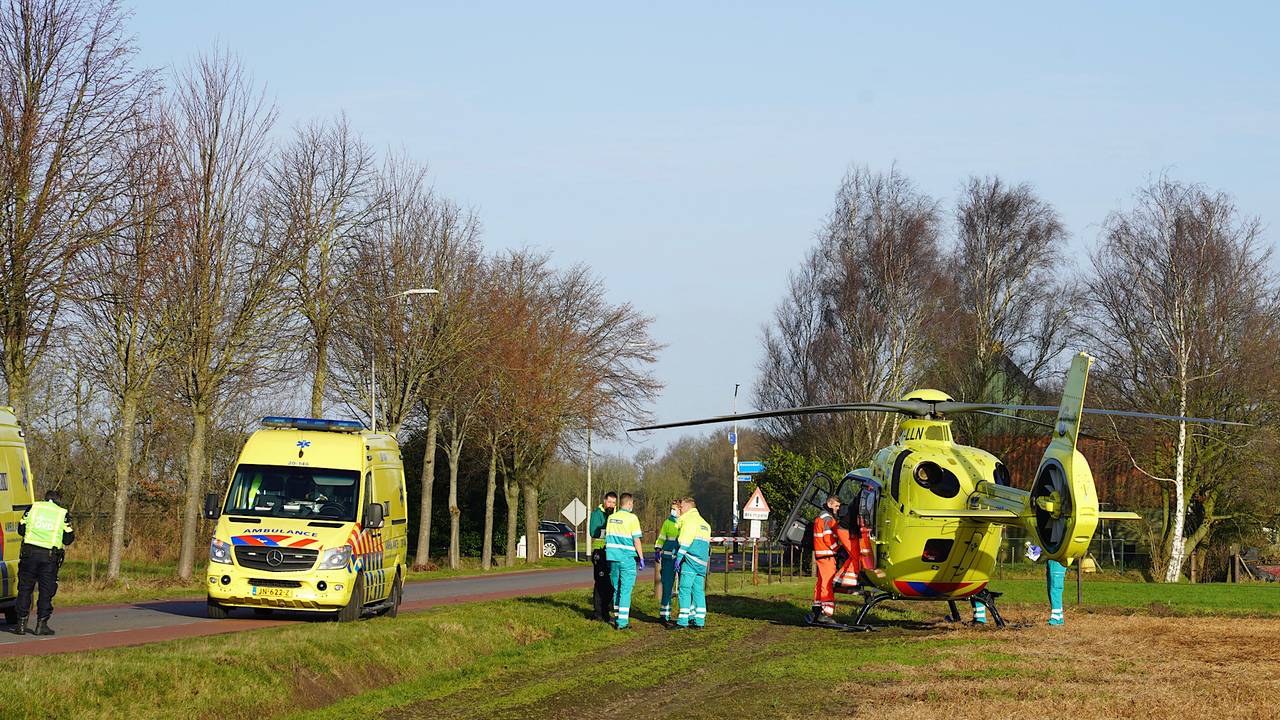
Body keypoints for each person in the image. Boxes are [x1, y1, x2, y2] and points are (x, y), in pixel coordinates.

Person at [12, 489, 75, 635]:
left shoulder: (33, 507)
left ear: (45, 498)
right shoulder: (62, 513)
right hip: (49, 558)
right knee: (46, 591)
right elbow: (68, 538)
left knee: (25, 589)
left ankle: (21, 624)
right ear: (58, 500)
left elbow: (21, 529)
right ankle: (41, 625)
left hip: (29, 555)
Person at [806, 495, 852, 626]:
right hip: (827, 556)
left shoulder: (820, 517)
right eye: (836, 506)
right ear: (830, 504)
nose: (838, 509)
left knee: (821, 583)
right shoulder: (828, 518)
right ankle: (826, 613)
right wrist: (838, 548)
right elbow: (828, 538)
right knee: (827, 584)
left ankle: (817, 609)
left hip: (821, 555)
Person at [604, 493, 644, 630]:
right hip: (627, 558)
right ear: (629, 503)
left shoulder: (611, 518)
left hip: (612, 557)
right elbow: (636, 540)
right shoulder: (632, 518)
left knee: (616, 588)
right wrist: (641, 557)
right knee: (626, 590)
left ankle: (617, 617)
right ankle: (622, 623)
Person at [671, 497, 711, 630]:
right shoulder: (705, 524)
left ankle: (683, 620)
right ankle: (700, 620)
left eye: (681, 507)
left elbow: (685, 541)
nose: (680, 509)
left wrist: (678, 558)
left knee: (684, 589)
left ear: (688, 507)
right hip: (702, 563)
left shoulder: (689, 521)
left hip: (690, 560)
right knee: (698, 591)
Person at [587, 491, 617, 622]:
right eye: (609, 502)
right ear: (604, 501)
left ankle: (606, 612)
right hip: (600, 551)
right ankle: (598, 614)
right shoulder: (597, 514)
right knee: (600, 583)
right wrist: (609, 530)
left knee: (610, 583)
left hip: (612, 552)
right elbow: (593, 532)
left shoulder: (616, 515)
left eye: (613, 503)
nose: (611, 505)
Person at [654, 500, 682, 625]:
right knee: (667, 586)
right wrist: (657, 548)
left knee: (685, 587)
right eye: (672, 508)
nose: (672, 511)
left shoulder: (685, 522)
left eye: (675, 508)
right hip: (667, 558)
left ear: (681, 509)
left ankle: (688, 615)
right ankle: (664, 614)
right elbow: (661, 537)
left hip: (681, 558)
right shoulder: (667, 522)